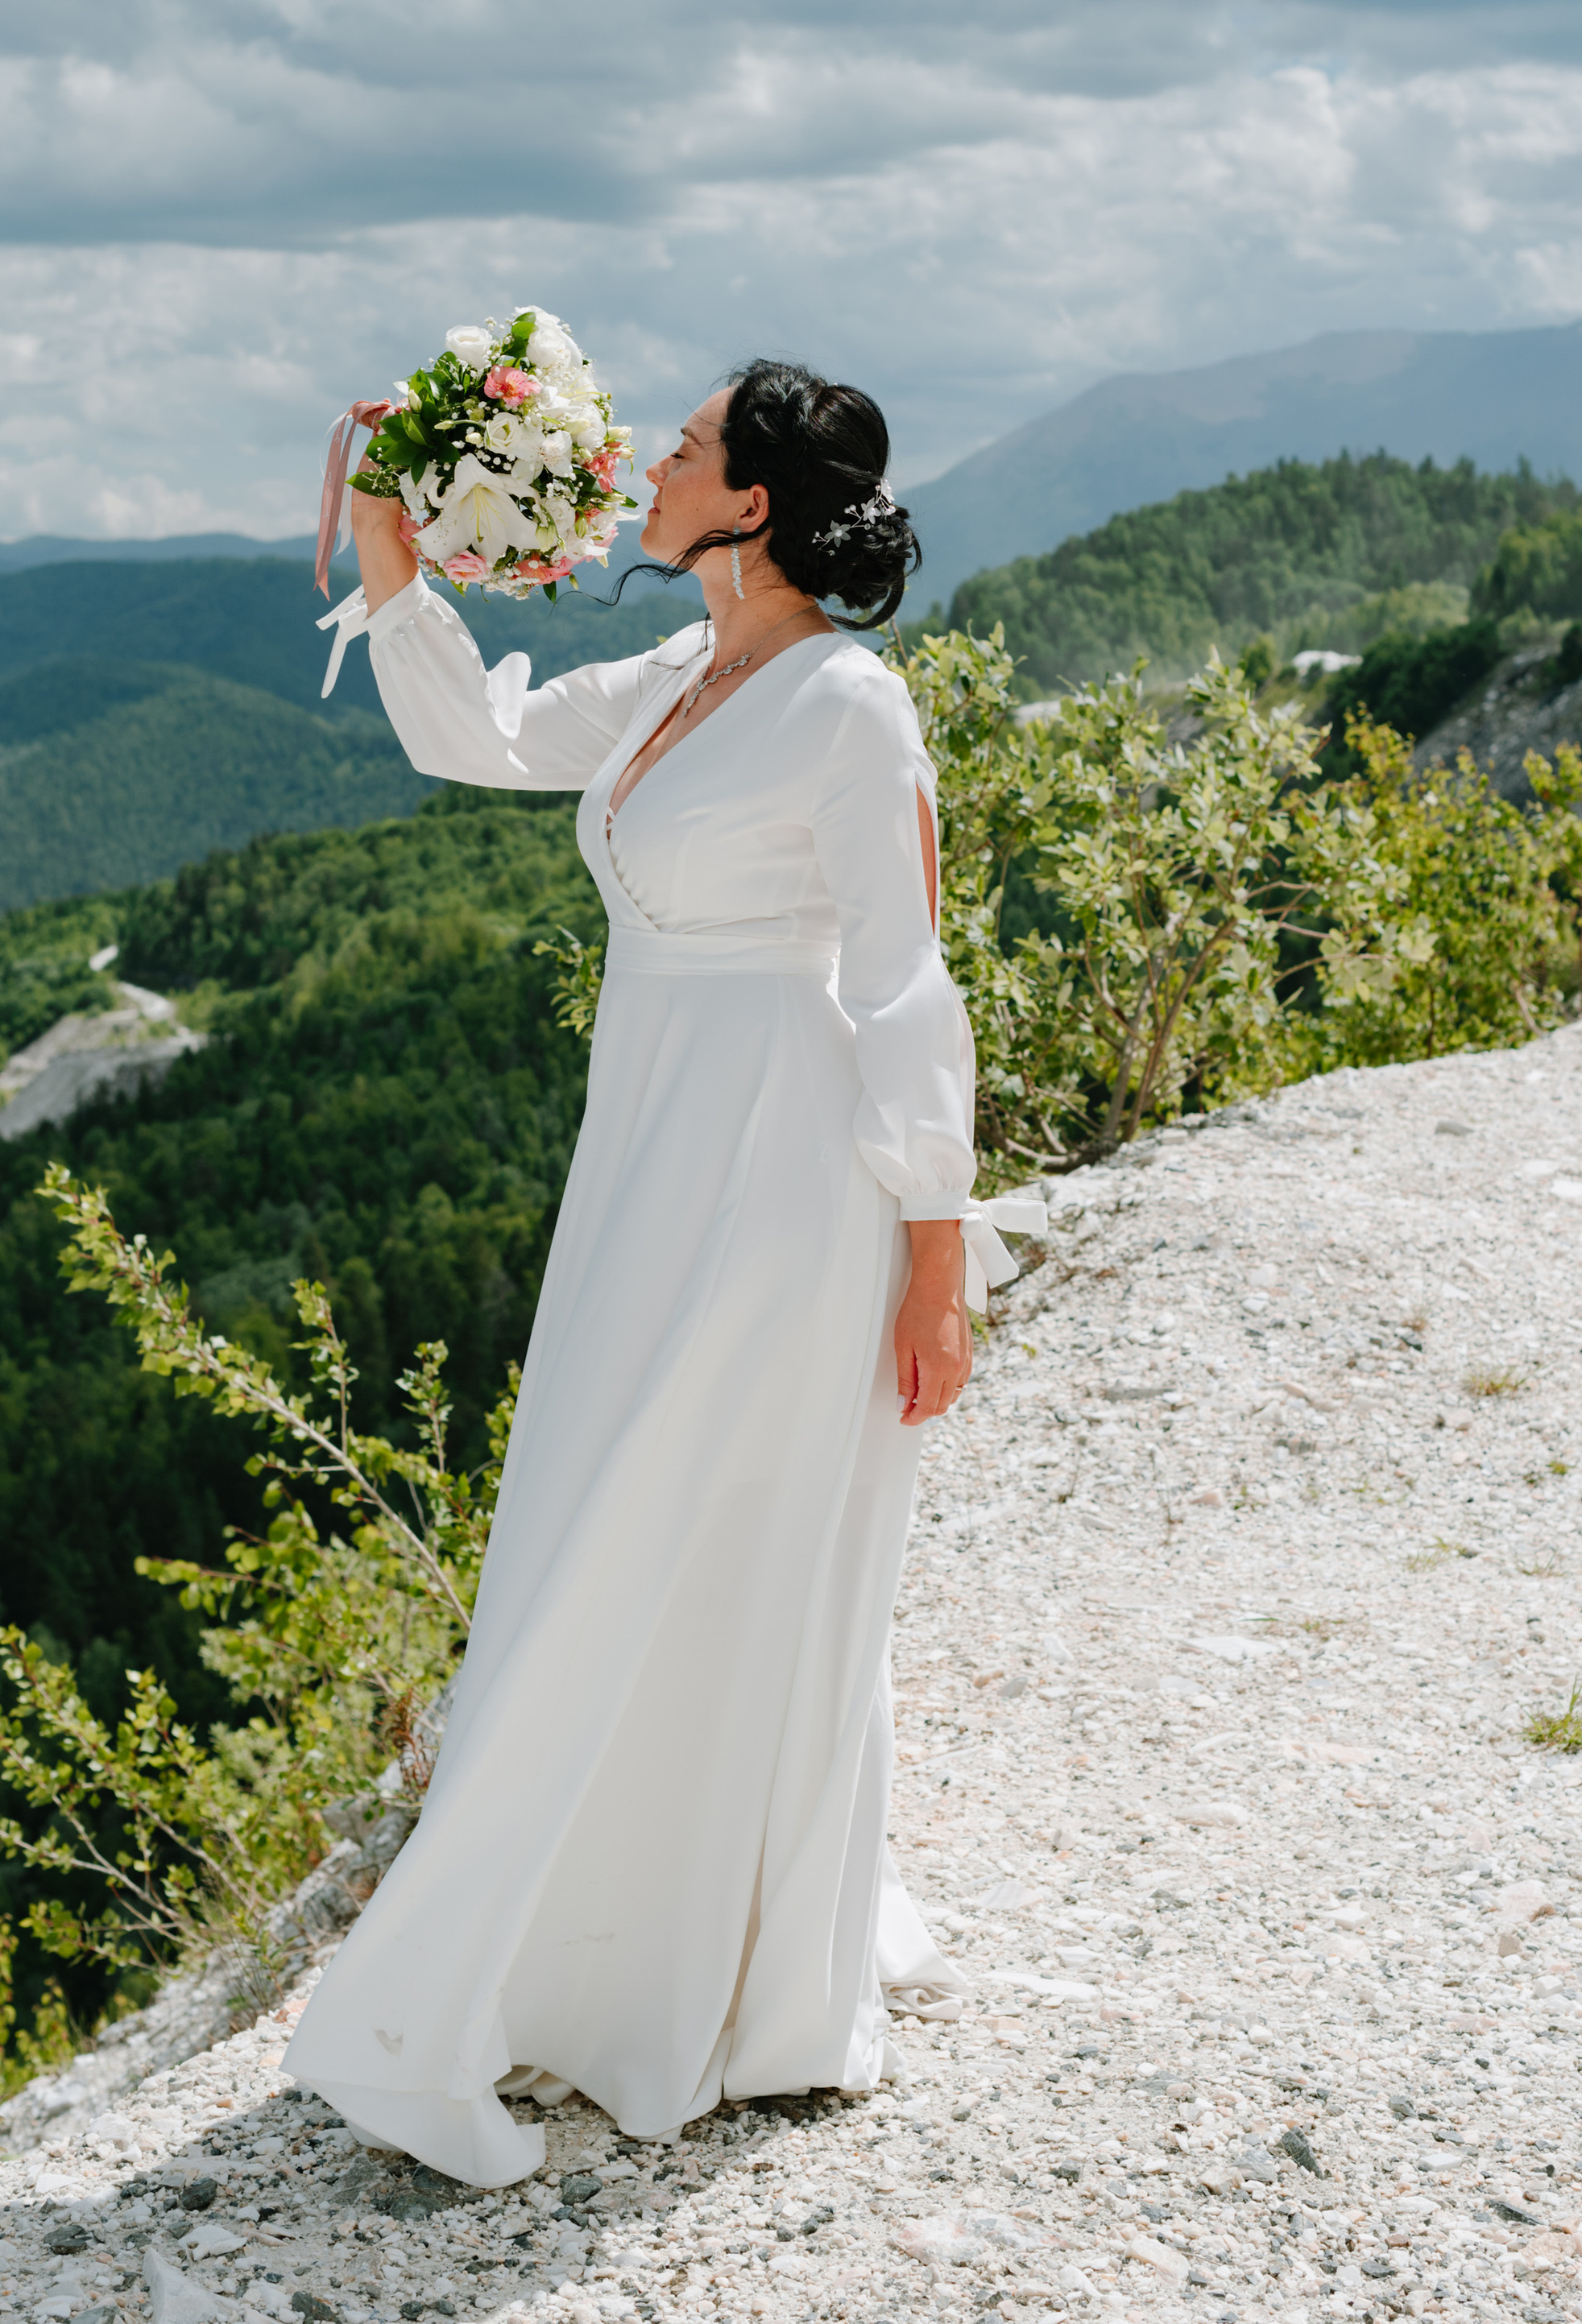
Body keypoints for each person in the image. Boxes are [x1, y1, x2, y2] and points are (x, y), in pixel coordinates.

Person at [282, 356, 1015, 2184]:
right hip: (649, 1162)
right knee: (598, 1528)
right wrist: (397, 558)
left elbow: (903, 987)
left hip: (786, 1186)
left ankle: (712, 1981)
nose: (646, 465)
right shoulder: (681, 679)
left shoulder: (850, 706)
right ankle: (600, 1955)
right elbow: (484, 736)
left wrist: (935, 1257)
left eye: (683, 448)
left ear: (752, 501)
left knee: (673, 1533)